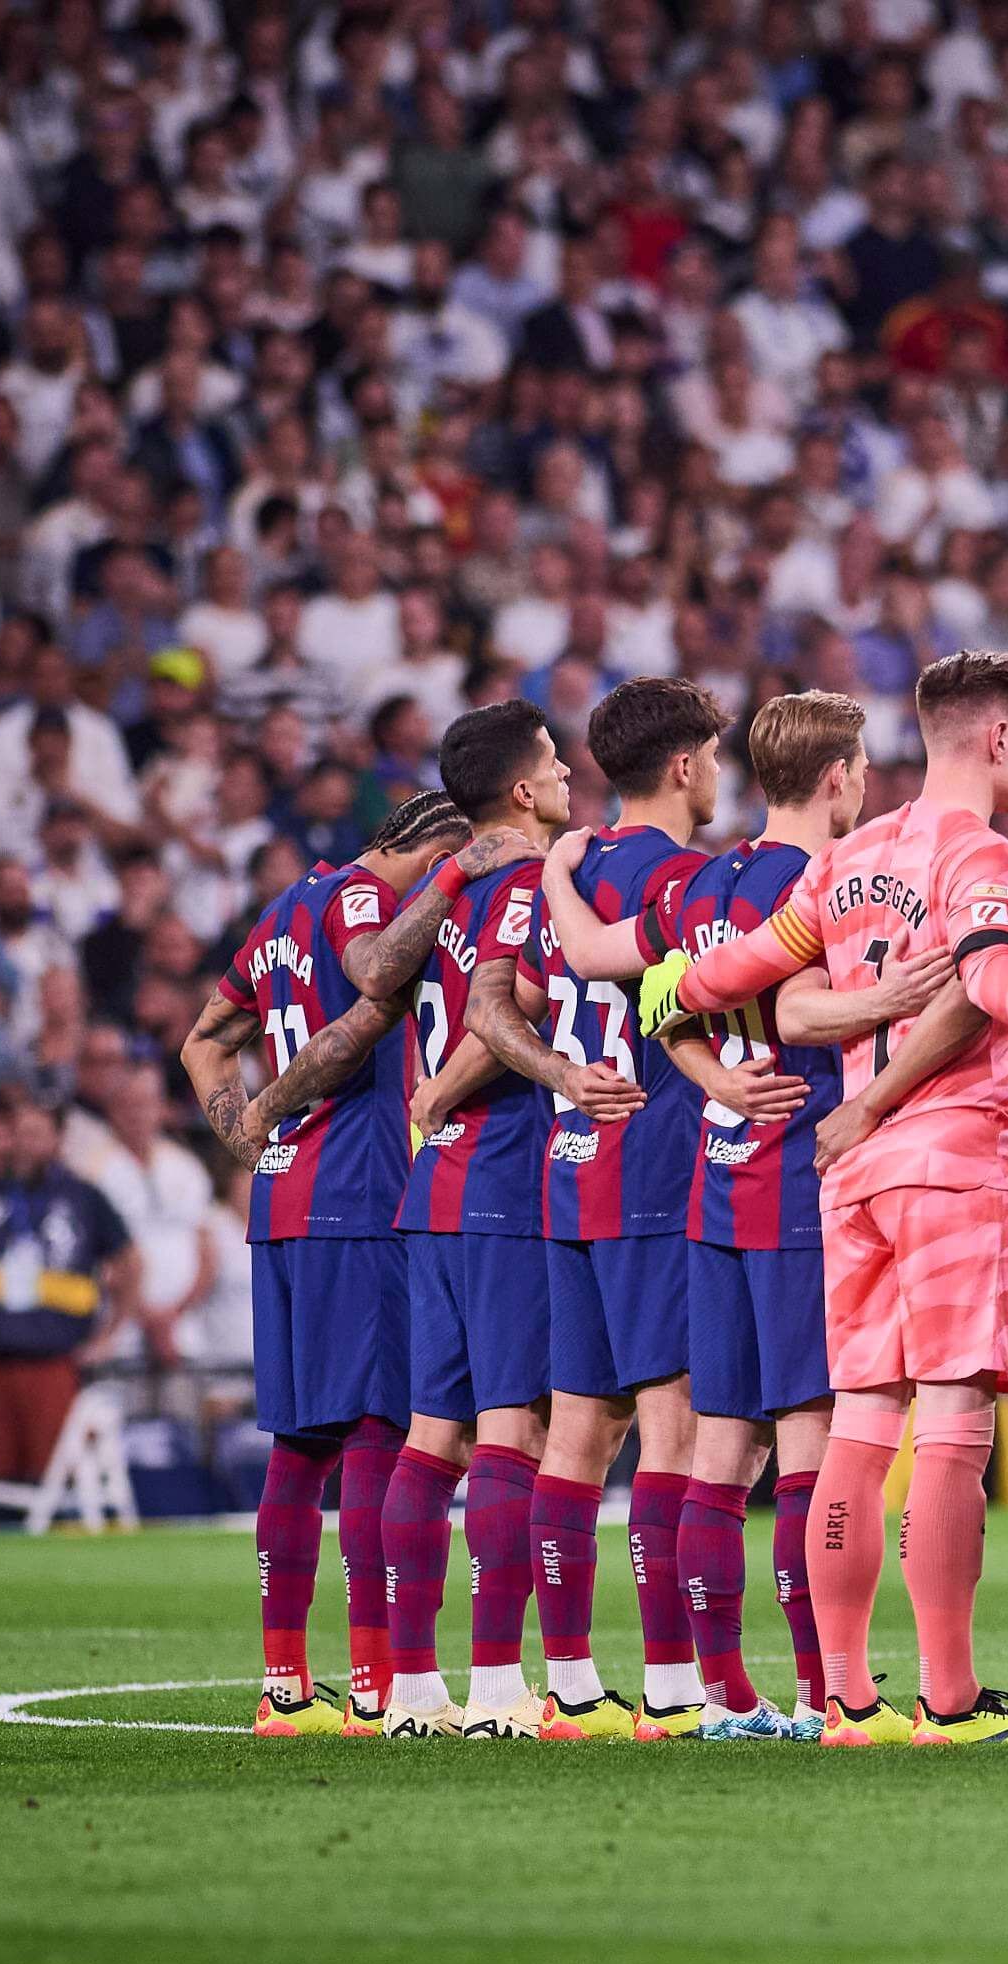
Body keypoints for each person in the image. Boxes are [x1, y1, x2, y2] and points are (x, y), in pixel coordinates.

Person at [640, 648, 1008, 1747]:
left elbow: (762, 962)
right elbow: (991, 978)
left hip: (848, 1168)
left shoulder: (855, 852)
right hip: (952, 1160)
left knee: (863, 1421)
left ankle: (849, 1699)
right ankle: (948, 1699)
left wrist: (676, 985)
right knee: (952, 1420)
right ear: (997, 737)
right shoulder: (980, 849)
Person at [541, 689, 947, 1741]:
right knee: (814, 1444)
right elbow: (808, 1011)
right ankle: (826, 1693)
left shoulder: (706, 881)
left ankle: (717, 1694)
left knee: (723, 1451)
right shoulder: (823, 884)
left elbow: (631, 985)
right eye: (861, 768)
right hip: (798, 1185)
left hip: (715, 1186)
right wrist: (901, 1002)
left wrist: (711, 1080)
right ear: (838, 777)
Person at [178, 784, 507, 1735]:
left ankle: (286, 1684)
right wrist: (456, 881)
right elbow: (372, 977)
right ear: (433, 848)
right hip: (359, 1198)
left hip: (284, 1203)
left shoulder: (283, 911)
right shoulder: (361, 903)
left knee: (299, 1446)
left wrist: (246, 1132)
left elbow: (203, 1041)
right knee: (375, 1436)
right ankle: (373, 1684)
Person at [380, 702, 634, 1739]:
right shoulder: (533, 879)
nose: (573, 769)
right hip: (499, 1174)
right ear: (522, 790)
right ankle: (494, 1685)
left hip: (433, 1188)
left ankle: (408, 1687)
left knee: (430, 1433)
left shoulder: (448, 892)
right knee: (511, 1428)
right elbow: (507, 1010)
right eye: (554, 760)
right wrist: (448, 1086)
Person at [479, 676, 726, 1741]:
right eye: (712, 755)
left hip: (568, 1170)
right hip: (656, 1174)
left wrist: (560, 1075)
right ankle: (672, 1682)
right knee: (673, 1425)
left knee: (578, 1430)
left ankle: (570, 1679)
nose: (719, 772)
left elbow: (522, 1001)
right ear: (682, 766)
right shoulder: (685, 878)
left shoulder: (556, 875)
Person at [0, 1092, 137, 1492]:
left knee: (54, 1473)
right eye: (16, 1133)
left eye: (35, 1133)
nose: (23, 1143)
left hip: (55, 1361)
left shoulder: (83, 1198)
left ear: (56, 1139)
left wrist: (109, 1334)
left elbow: (131, 1263)